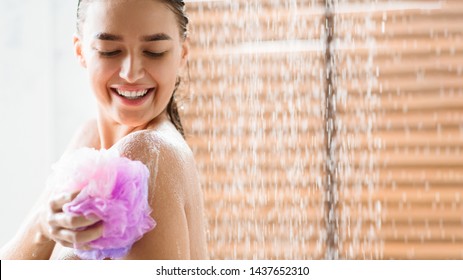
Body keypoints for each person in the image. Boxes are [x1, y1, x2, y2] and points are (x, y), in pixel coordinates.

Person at [0, 0, 208, 260]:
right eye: (109, 51)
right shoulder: (88, 138)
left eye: (154, 51)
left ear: (182, 54)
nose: (131, 73)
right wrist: (43, 225)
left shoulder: (146, 154)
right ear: (80, 51)